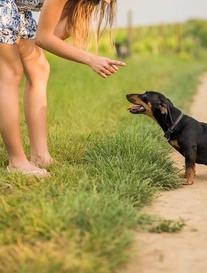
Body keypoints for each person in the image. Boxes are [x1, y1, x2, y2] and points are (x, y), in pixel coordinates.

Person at [0, 0, 125, 177]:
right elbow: (44, 38)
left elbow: (52, 36)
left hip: (18, 8)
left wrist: (82, 10)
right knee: (11, 72)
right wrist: (91, 59)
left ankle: (40, 156)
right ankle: (17, 162)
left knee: (39, 69)